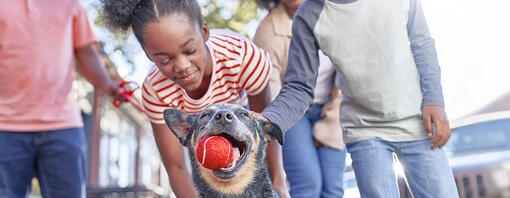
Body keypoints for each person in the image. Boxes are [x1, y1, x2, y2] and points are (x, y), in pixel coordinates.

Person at [258, 0, 460, 197]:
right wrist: (265, 122)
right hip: (364, 130)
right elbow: (299, 87)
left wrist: (435, 101)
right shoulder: (309, 15)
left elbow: (422, 44)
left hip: (417, 121)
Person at [100, 0, 289, 197]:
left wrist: (278, 182)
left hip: (243, 117)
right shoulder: (155, 90)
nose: (182, 65)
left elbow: (263, 126)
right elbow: (176, 167)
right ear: (149, 55)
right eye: (165, 60)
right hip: (199, 130)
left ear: (205, 32)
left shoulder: (242, 55)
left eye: (190, 50)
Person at [0, 1, 124, 198]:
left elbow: (85, 52)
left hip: (62, 125)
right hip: (5, 127)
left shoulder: (71, 3)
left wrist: (108, 84)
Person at [253, 0, 347, 197]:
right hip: (291, 111)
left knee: (333, 187)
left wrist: (329, 123)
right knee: (308, 183)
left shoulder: (337, 14)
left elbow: (347, 74)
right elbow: (273, 94)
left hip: (334, 105)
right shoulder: (267, 32)